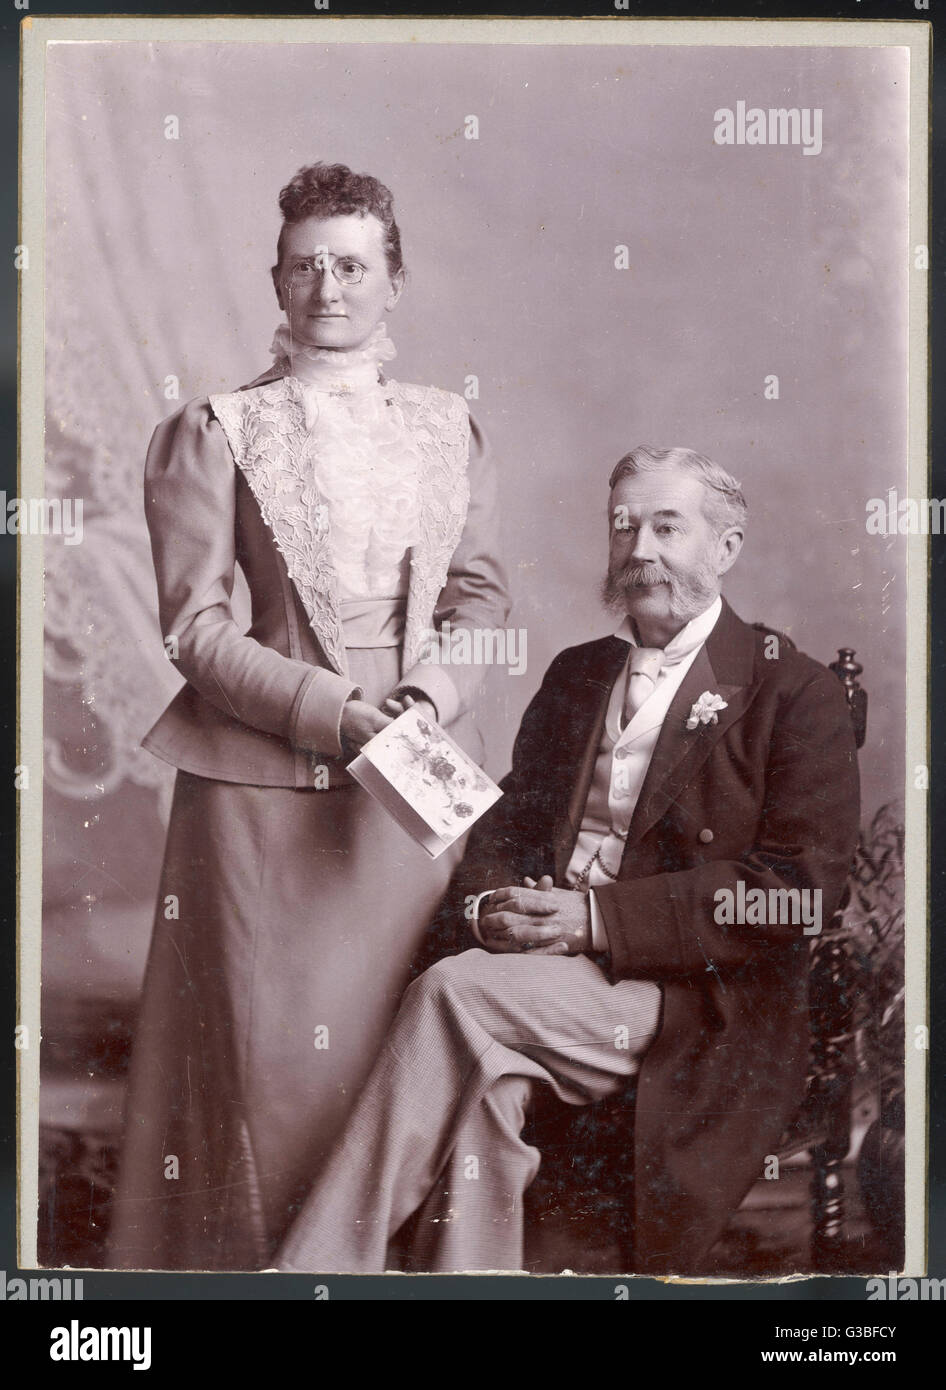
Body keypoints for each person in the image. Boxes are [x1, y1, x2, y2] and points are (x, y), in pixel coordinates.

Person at [273, 445, 861, 1276]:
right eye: (625, 527)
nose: (641, 550)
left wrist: (593, 921)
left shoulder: (791, 691)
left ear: (726, 548)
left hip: (696, 999)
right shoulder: (579, 673)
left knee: (453, 991)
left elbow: (798, 898)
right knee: (485, 1094)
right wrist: (491, 913)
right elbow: (508, 829)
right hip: (544, 980)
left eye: (668, 526)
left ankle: (312, 1274)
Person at [107, 162, 510, 1270]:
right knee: (272, 1074)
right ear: (276, 281)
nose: (327, 286)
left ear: (395, 281)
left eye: (352, 264)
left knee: (404, 1055)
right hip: (261, 789)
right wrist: (338, 713)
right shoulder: (214, 429)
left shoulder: (447, 426)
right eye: (304, 266)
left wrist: (431, 695)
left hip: (413, 787)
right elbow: (195, 632)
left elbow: (481, 595)